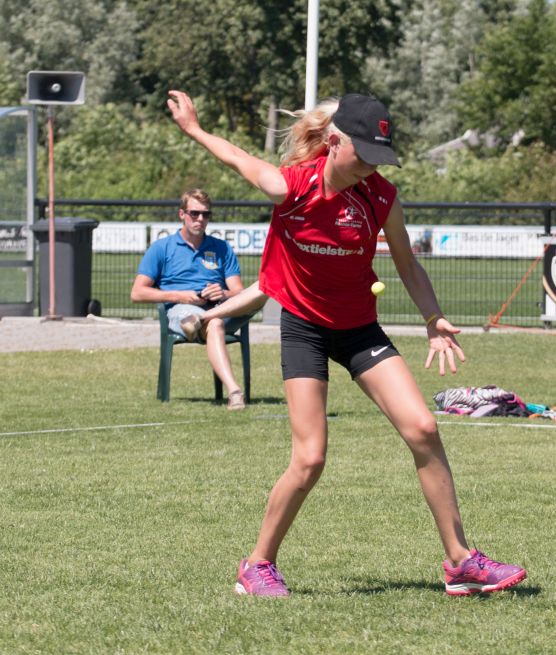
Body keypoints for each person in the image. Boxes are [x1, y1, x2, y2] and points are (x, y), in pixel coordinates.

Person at [166, 90, 527, 597]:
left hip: (358, 329)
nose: (371, 167)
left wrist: (433, 318)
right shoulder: (292, 186)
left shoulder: (382, 196)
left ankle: (461, 562)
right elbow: (237, 157)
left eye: (380, 157)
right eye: (365, 154)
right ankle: (257, 564)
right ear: (335, 142)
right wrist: (194, 129)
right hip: (305, 329)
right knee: (310, 458)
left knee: (424, 428)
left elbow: (407, 263)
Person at [131, 188, 249, 410]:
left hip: (220, 309)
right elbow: (137, 293)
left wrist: (223, 293)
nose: (200, 219)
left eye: (206, 214)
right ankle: (235, 392)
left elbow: (239, 292)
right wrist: (179, 296)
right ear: (182, 214)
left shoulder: (222, 248)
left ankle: (197, 324)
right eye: (195, 213)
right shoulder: (162, 248)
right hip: (181, 309)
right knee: (211, 322)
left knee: (261, 290)